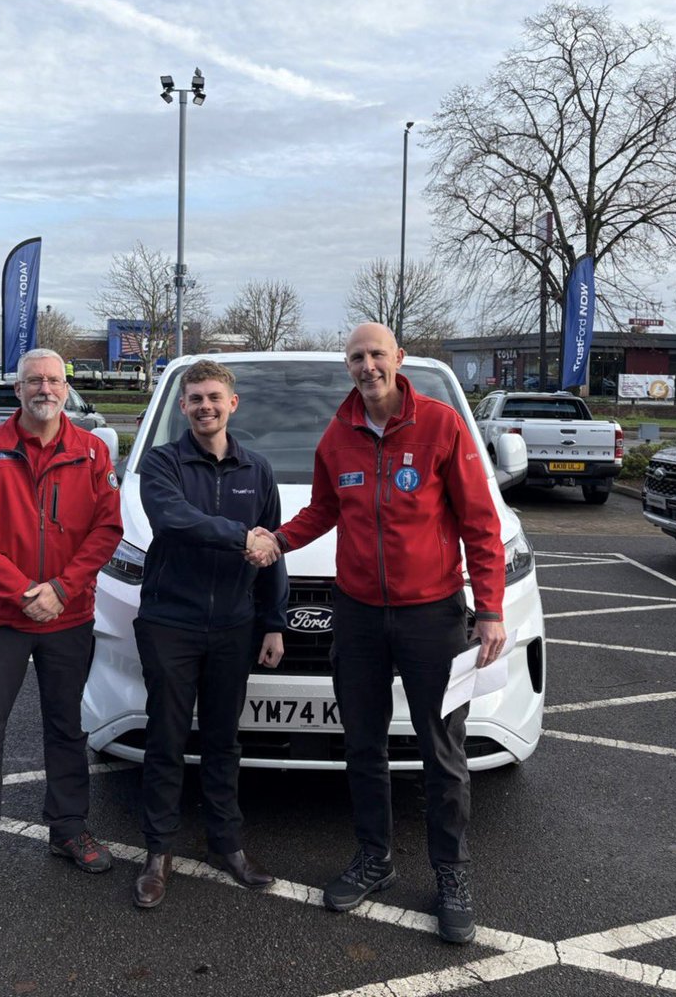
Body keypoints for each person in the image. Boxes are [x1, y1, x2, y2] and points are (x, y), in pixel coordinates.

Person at [253, 323, 506, 943]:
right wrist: (278, 540)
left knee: (441, 749)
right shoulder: (337, 436)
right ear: (349, 366)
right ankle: (375, 859)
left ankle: (450, 872)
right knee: (362, 744)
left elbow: (480, 522)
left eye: (376, 355)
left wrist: (491, 607)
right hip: (359, 615)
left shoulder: (442, 425)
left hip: (433, 617)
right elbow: (323, 510)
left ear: (399, 358)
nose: (367, 366)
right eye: (356, 357)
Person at [0, 348, 123, 903]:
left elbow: (107, 527)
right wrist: (23, 592)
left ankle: (68, 830)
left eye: (54, 380)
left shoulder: (92, 453)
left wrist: (62, 589)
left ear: (66, 388)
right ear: (17, 390)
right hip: (2, 616)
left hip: (68, 616)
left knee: (67, 729)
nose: (45, 388)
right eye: (33, 381)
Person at [132, 359, 288, 909]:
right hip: (170, 624)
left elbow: (272, 553)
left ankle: (228, 844)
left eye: (214, 397)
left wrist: (273, 621)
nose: (205, 406)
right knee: (167, 740)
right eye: (195, 398)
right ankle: (157, 853)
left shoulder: (257, 470)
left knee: (223, 740)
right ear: (182, 406)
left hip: (233, 628)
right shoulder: (162, 463)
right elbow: (172, 519)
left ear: (232, 404)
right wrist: (240, 534)